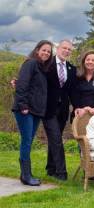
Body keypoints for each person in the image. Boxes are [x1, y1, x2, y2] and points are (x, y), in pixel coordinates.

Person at [12, 40, 53, 186]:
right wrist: (23, 105)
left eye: (49, 51)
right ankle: (26, 175)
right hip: (25, 110)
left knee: (28, 140)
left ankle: (26, 174)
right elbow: (22, 85)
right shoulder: (30, 63)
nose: (46, 53)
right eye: (44, 50)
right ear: (37, 50)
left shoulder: (42, 68)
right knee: (27, 140)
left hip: (35, 111)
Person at [42, 39, 76, 180]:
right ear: (58, 48)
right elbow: (35, 79)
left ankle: (50, 168)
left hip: (62, 111)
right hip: (48, 109)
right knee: (56, 139)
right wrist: (18, 82)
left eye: (69, 49)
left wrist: (77, 107)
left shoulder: (71, 69)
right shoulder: (46, 65)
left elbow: (72, 91)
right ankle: (61, 172)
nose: (66, 51)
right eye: (64, 48)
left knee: (53, 139)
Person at [71, 50, 94, 119]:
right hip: (80, 113)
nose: (90, 62)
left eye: (93, 60)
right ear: (84, 61)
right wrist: (78, 108)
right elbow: (73, 94)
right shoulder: (77, 76)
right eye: (88, 59)